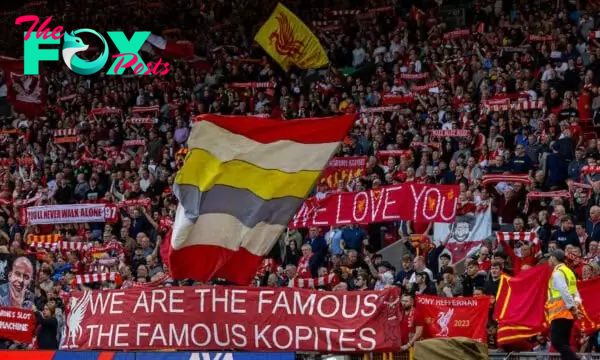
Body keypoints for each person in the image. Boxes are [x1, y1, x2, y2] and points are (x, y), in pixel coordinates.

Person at [546, 249, 582, 360]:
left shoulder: (557, 273)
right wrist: (575, 306)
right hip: (568, 314)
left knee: (557, 343)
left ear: (554, 258)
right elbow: (576, 292)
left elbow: (564, 290)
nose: (548, 260)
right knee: (564, 343)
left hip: (560, 313)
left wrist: (572, 307)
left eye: (550, 257)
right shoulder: (569, 272)